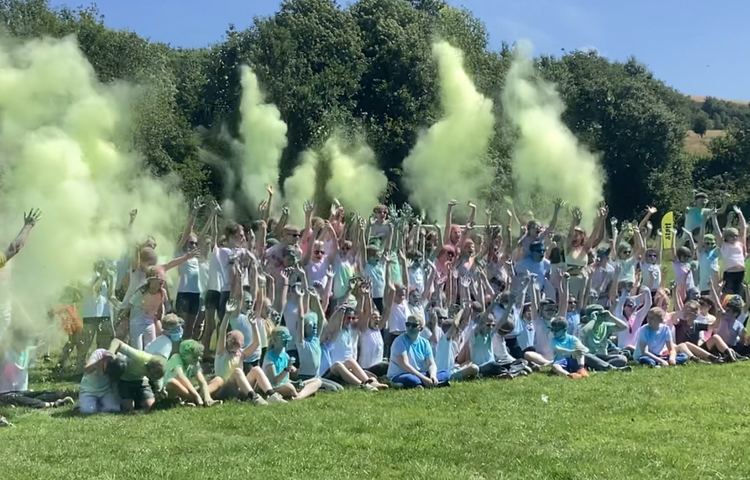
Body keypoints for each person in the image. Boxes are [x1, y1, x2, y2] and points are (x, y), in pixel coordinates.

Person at [210, 281, 286, 405]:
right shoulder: (222, 352)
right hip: (224, 389)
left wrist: (254, 325)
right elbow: (223, 331)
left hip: (239, 389)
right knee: (238, 372)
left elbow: (257, 343)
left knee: (256, 369)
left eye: (237, 342)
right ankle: (254, 398)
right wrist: (227, 315)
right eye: (232, 341)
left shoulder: (241, 354)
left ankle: (272, 395)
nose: (234, 343)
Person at [387, 315, 450, 389]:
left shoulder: (425, 342)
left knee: (446, 373)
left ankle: (425, 383)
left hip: (420, 373)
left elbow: (431, 364)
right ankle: (433, 383)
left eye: (414, 325)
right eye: (408, 324)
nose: (410, 328)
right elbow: (405, 365)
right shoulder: (399, 341)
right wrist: (423, 378)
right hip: (401, 374)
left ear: (421, 328)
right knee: (411, 379)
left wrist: (433, 376)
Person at [263, 327, 322, 401]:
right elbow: (275, 381)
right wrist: (287, 369)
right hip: (273, 388)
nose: (287, 340)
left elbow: (286, 379)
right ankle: (298, 397)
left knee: (317, 381)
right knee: (290, 388)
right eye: (284, 338)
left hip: (286, 384)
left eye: (288, 338)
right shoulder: (270, 357)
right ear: (275, 340)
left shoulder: (286, 356)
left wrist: (296, 383)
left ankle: (297, 395)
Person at [107, 338, 166, 411]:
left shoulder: (157, 371)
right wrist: (110, 353)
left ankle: (139, 401)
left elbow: (158, 384)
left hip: (141, 380)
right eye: (152, 375)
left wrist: (158, 392)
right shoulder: (139, 357)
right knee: (128, 408)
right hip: (124, 380)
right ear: (150, 367)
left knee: (150, 405)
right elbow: (117, 341)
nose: (152, 377)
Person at [164, 340, 219, 407]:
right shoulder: (176, 358)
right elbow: (181, 377)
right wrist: (196, 396)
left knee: (218, 380)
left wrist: (207, 396)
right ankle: (195, 399)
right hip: (171, 391)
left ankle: (205, 400)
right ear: (185, 355)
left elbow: (202, 381)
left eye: (198, 356)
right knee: (171, 382)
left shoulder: (194, 363)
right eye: (194, 357)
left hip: (187, 391)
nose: (198, 358)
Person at [578, 305, 630, 371]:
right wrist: (593, 319)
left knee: (622, 358)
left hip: (603, 356)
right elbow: (584, 332)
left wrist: (610, 316)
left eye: (601, 314)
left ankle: (601, 367)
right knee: (585, 356)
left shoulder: (605, 325)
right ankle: (610, 368)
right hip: (591, 356)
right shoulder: (584, 326)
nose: (600, 317)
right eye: (597, 315)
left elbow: (624, 327)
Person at [79, 349, 120, 415]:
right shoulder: (98, 353)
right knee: (87, 411)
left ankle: (95, 404)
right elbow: (86, 369)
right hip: (89, 390)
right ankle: (86, 404)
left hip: (106, 390)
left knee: (115, 409)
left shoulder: (117, 358)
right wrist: (98, 364)